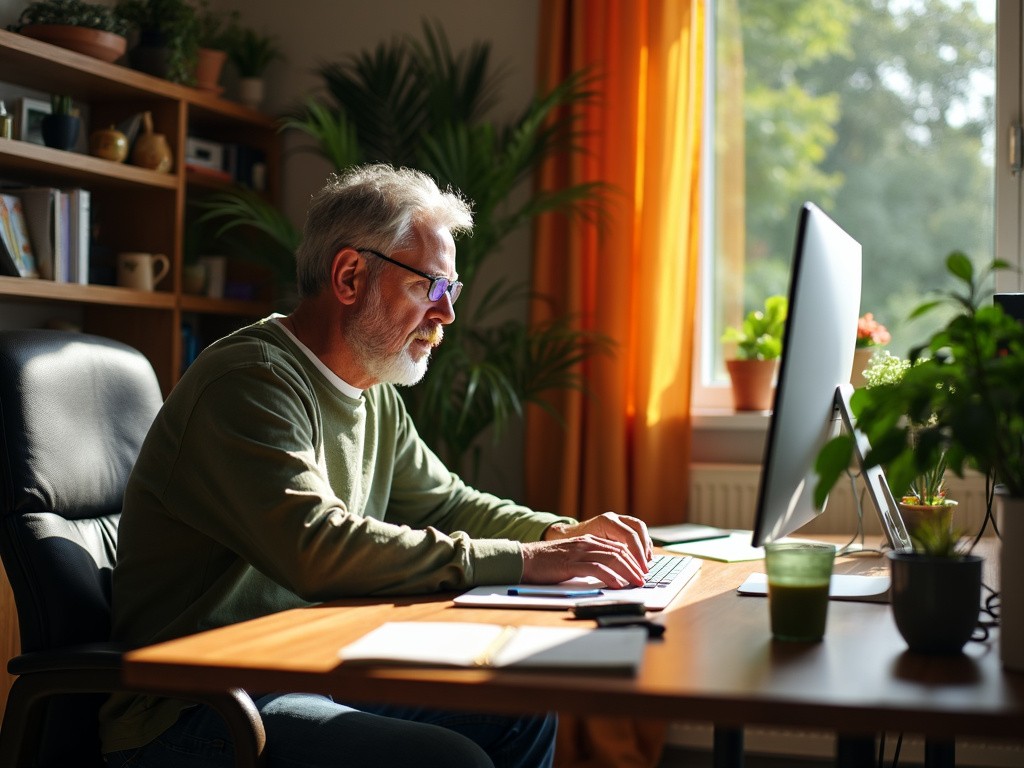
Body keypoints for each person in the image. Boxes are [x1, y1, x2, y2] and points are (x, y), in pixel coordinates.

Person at [100, 164, 653, 768]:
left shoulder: (373, 387)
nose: (445, 314)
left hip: (310, 670)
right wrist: (527, 561)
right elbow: (317, 547)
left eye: (452, 292)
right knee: (443, 760)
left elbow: (444, 501)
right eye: (428, 287)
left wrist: (560, 534)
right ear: (349, 275)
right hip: (201, 706)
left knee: (520, 710)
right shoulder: (250, 380)